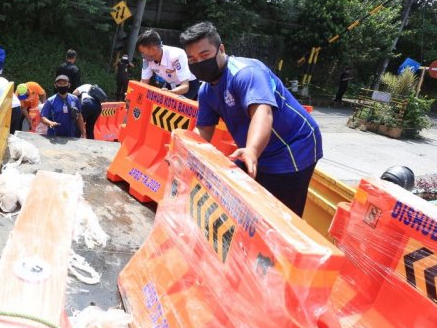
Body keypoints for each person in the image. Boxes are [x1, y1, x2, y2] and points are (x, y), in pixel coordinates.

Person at [180, 21, 322, 217]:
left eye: (205, 56)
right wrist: (186, 153)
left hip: (293, 145)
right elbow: (204, 129)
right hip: (255, 150)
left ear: (221, 49)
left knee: (280, 215)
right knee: (244, 205)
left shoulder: (245, 73)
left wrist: (252, 150)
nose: (199, 63)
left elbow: (262, 112)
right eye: (193, 60)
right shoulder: (206, 91)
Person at [137, 29, 200, 100]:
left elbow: (185, 87)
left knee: (175, 107)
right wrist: (134, 93)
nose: (142, 55)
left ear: (153, 49)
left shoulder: (176, 55)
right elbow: (144, 82)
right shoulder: (147, 59)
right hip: (170, 84)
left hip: (189, 85)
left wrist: (169, 93)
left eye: (142, 52)